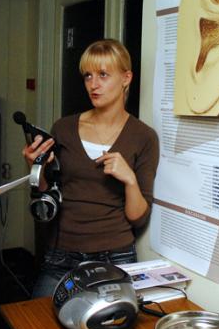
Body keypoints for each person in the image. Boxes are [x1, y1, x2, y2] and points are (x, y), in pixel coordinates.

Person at [23, 39, 160, 297]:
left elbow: (138, 218)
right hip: (61, 253)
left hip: (116, 255)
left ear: (126, 78)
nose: (93, 84)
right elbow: (46, 193)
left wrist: (129, 179)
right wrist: (35, 167)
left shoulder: (144, 137)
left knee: (114, 321)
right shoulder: (63, 128)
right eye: (88, 75)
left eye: (103, 75)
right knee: (38, 320)